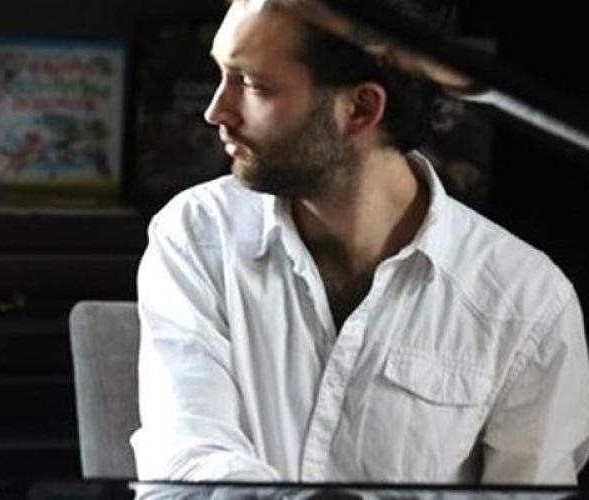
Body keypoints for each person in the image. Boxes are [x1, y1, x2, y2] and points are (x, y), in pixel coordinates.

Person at [130, 0, 589, 484]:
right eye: (222, 74)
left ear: (361, 108)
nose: (216, 111)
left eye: (252, 85)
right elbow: (186, 459)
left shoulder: (527, 301)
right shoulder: (197, 235)